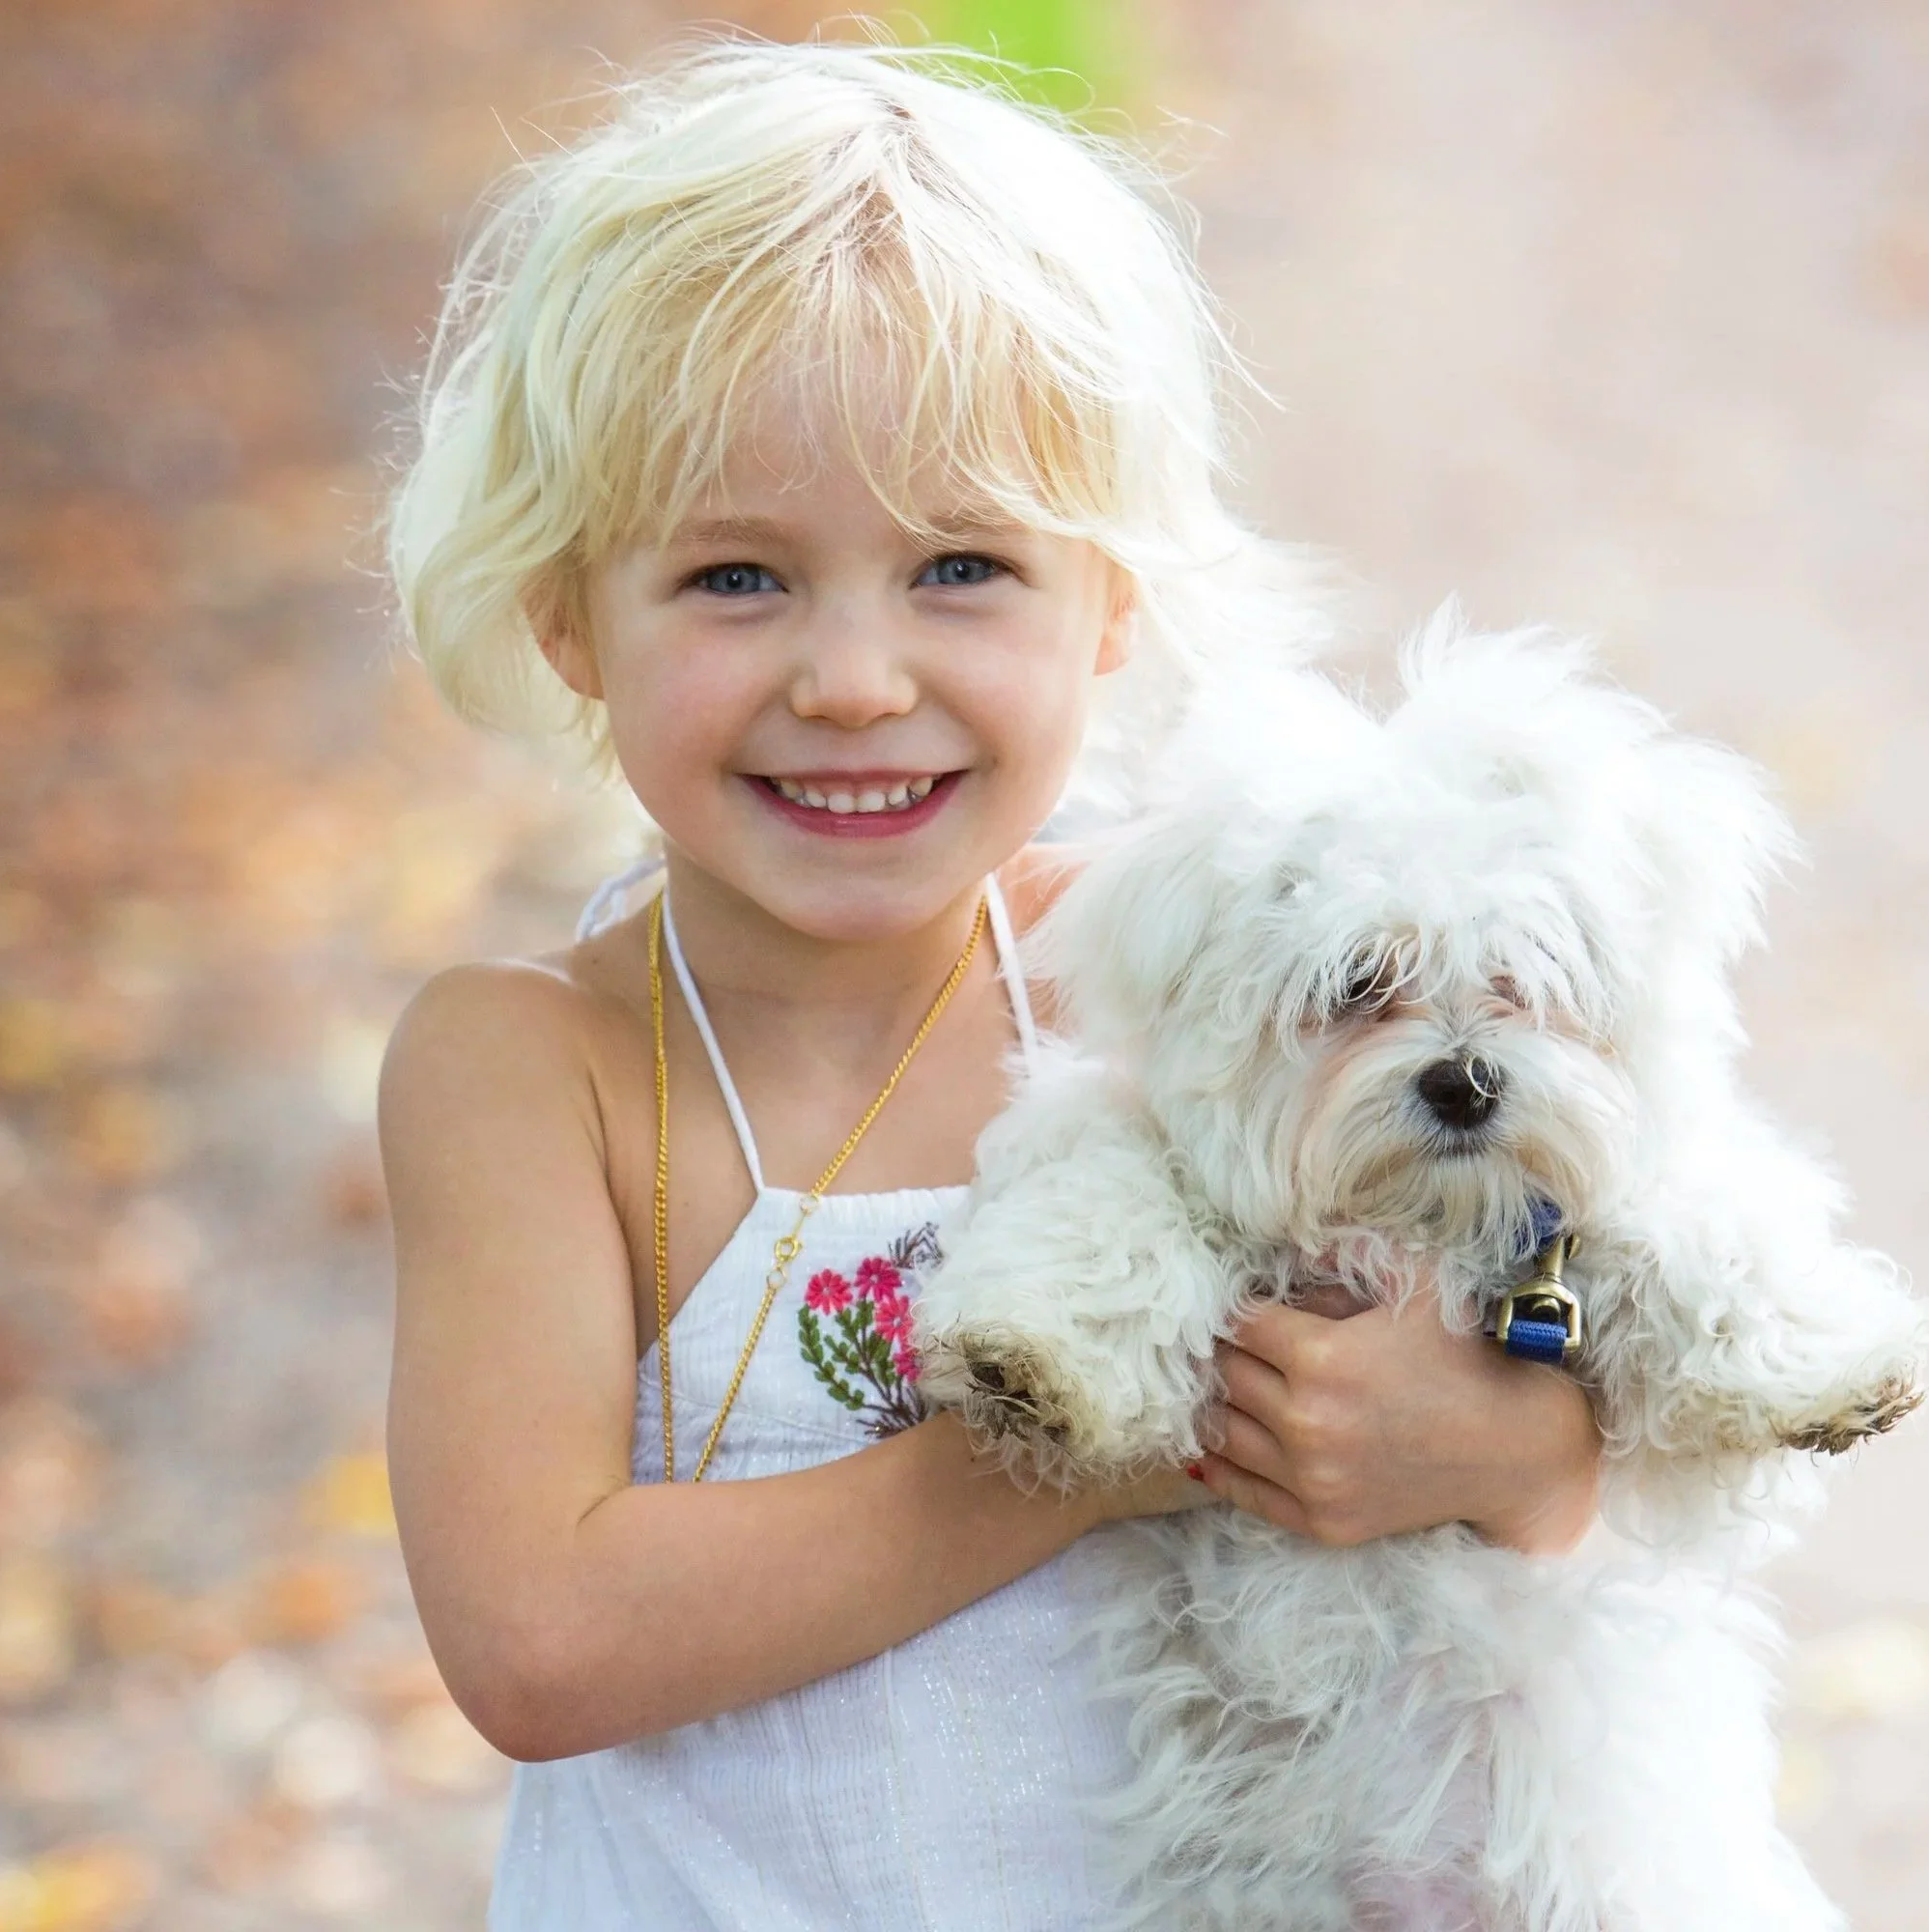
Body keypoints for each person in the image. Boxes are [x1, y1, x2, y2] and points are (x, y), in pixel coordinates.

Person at [377, 37, 1603, 1929]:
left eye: (957, 565)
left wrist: (1518, 1441)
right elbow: (540, 1641)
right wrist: (1092, 1454)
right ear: (567, 610)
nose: (854, 678)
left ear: (1106, 602)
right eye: (733, 578)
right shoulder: (536, 1070)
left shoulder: (1175, 967)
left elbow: (1544, 1263)